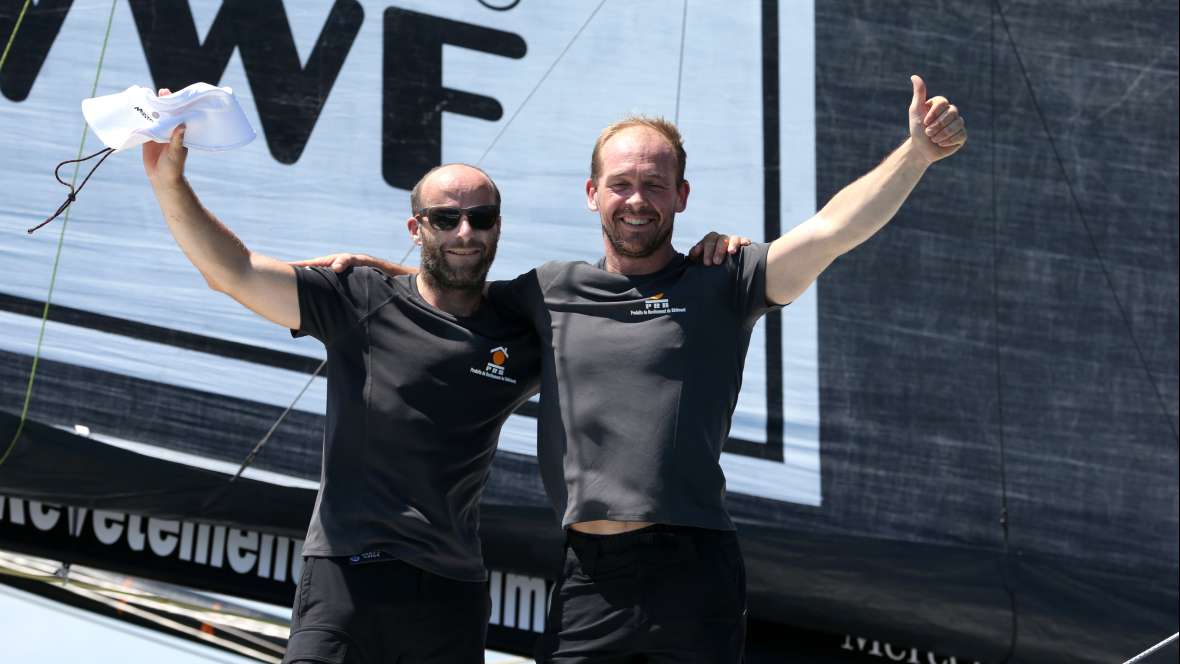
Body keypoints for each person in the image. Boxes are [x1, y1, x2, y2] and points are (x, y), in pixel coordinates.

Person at [307, 74, 966, 662]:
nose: (637, 199)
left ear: (681, 195)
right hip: (586, 572)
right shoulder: (546, 289)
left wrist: (916, 156)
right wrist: (384, 268)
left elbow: (832, 231)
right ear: (593, 194)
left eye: (654, 184)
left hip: (692, 567)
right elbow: (455, 290)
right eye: (621, 184)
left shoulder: (725, 279)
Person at [142, 87, 542, 662]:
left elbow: (622, 330)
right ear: (416, 226)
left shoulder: (520, 332)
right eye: (445, 218)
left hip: (452, 594)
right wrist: (169, 183)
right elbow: (234, 273)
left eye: (479, 218)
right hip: (348, 576)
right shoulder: (359, 296)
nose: (464, 232)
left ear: (497, 227)